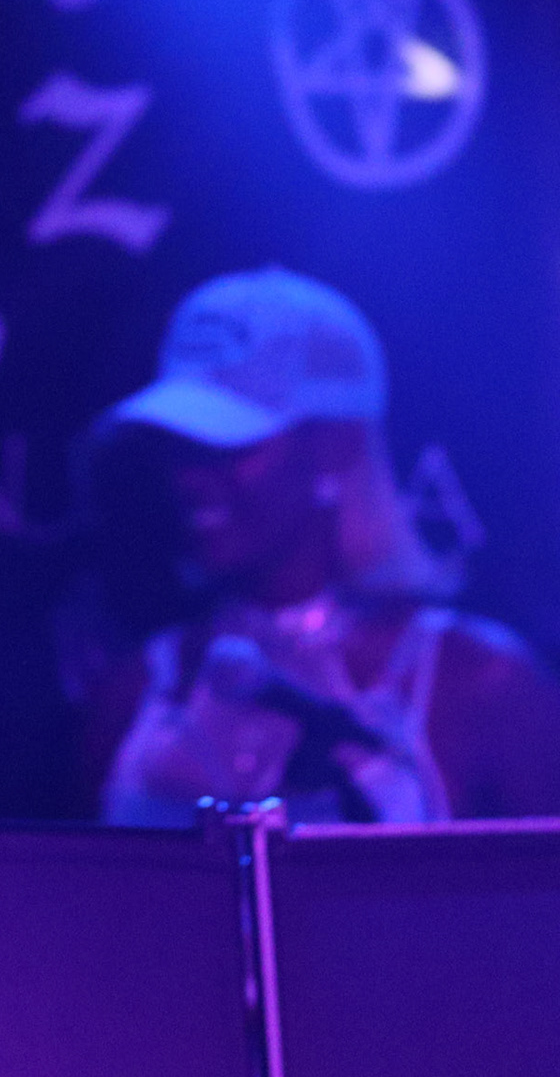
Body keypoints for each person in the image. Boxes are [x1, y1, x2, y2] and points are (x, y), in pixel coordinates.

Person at [96, 268, 560, 826]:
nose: (190, 476)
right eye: (179, 445)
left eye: (227, 444)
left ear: (337, 445)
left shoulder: (477, 684)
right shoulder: (135, 690)